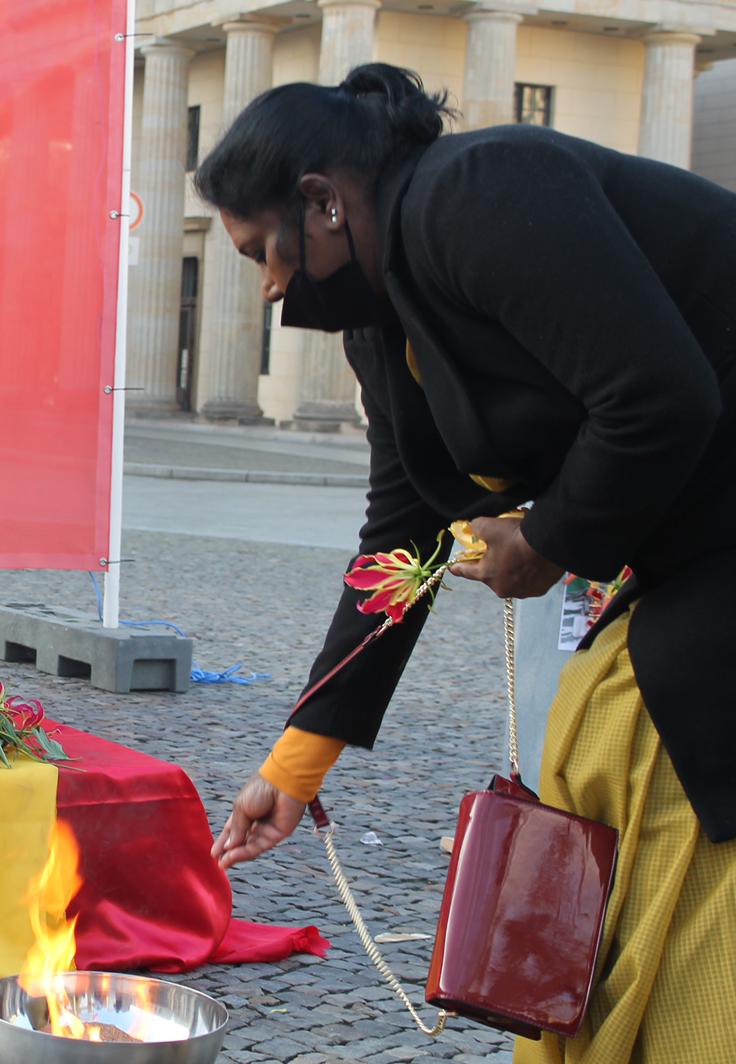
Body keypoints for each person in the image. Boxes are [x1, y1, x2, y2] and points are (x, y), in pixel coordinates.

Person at [196, 63, 735, 1062]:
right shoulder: (382, 326)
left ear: (322, 201)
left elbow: (659, 396)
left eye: (262, 250)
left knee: (649, 744)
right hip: (691, 551)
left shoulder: (478, 190)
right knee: (591, 743)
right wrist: (295, 763)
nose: (268, 286)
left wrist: (547, 541)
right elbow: (400, 540)